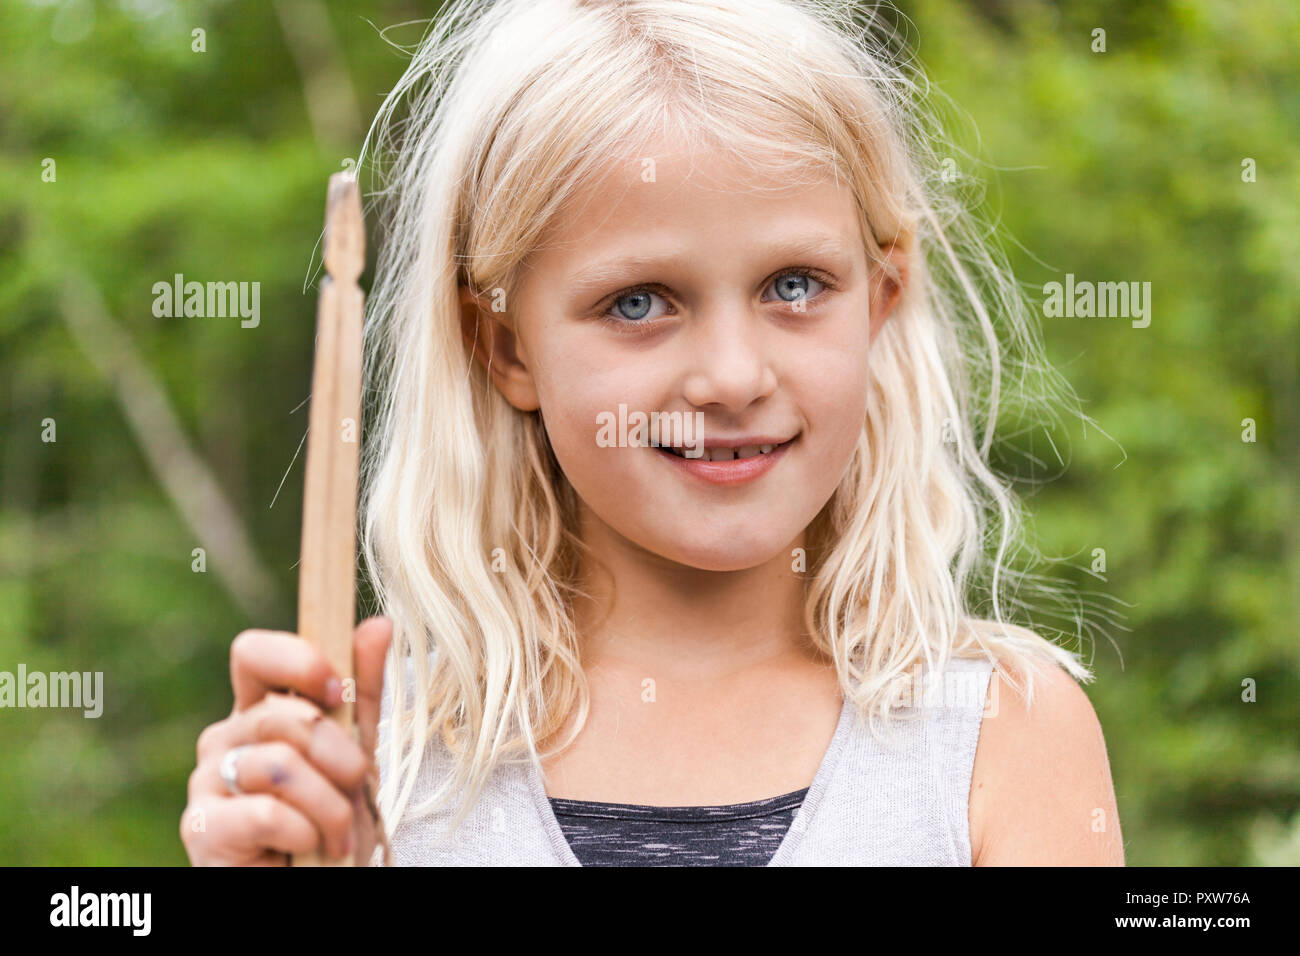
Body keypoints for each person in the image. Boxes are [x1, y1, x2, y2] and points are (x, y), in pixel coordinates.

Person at [182, 0, 1124, 866]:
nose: (732, 377)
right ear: (504, 345)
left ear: (881, 297)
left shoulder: (1000, 738)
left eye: (794, 285)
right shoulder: (376, 766)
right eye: (639, 303)